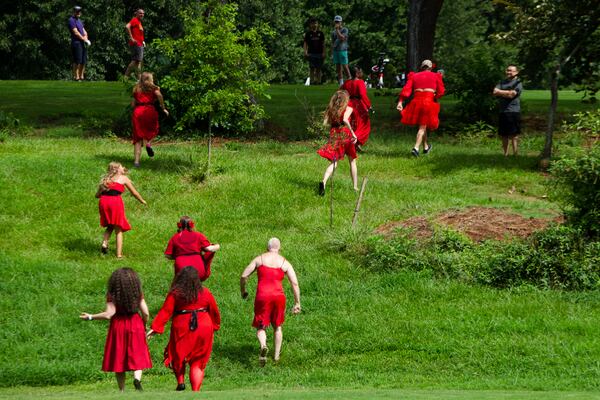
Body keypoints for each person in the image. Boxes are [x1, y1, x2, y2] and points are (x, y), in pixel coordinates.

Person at [147, 267, 220, 391]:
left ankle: (180, 382)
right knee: (198, 362)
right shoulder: (205, 292)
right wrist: (215, 325)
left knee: (178, 355)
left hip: (182, 325)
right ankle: (195, 391)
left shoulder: (175, 293)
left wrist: (155, 328)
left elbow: (166, 311)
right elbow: (214, 310)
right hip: (203, 326)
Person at [79, 268, 152, 392]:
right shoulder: (137, 293)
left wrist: (91, 316)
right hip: (135, 323)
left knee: (119, 357)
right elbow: (145, 313)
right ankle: (137, 379)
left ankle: (122, 390)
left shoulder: (112, 294)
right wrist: (144, 325)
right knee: (137, 353)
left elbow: (109, 314)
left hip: (118, 325)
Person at [240, 238, 301, 366]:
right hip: (279, 296)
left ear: (267, 247)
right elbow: (294, 283)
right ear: (279, 248)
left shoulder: (259, 259)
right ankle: (276, 357)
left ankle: (263, 345)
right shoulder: (284, 262)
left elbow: (244, 276)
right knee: (277, 327)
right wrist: (297, 303)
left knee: (260, 326)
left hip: (263, 296)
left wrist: (243, 291)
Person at [96, 162, 147, 258]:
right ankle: (119, 255)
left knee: (110, 225)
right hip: (115, 202)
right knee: (118, 229)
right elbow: (134, 193)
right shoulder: (124, 178)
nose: (124, 167)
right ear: (118, 170)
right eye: (121, 166)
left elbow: (97, 195)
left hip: (103, 202)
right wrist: (142, 201)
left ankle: (104, 243)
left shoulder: (106, 180)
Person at [397, 59, 445, 157]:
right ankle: (416, 148)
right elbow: (441, 92)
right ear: (431, 67)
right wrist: (435, 96)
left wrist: (400, 102)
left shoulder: (414, 76)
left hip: (416, 102)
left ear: (421, 67)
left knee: (422, 125)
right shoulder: (436, 76)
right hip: (428, 102)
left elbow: (406, 90)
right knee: (422, 127)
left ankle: (426, 147)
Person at [317, 90, 358, 196]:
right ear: (346, 100)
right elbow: (345, 120)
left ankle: (324, 181)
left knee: (334, 162)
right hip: (345, 134)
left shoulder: (331, 110)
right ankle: (355, 187)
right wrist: (353, 133)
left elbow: (325, 123)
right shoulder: (348, 108)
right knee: (352, 161)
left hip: (334, 134)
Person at [131, 72, 168, 167]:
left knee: (137, 138)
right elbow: (160, 96)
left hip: (138, 112)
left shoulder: (136, 88)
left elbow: (133, 104)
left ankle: (136, 162)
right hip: (149, 111)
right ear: (150, 79)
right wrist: (163, 107)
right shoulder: (153, 88)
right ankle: (148, 144)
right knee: (152, 130)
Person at [493, 65, 523, 156]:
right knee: (504, 134)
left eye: (511, 71)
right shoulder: (502, 82)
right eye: (507, 70)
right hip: (503, 111)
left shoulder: (518, 82)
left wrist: (501, 92)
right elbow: (494, 92)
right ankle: (505, 154)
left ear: (516, 72)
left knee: (514, 134)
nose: (508, 72)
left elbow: (512, 95)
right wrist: (507, 92)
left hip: (513, 111)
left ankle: (515, 153)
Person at [342, 66, 372, 150]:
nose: (362, 73)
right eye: (360, 71)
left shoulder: (346, 82)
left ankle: (354, 143)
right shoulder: (360, 82)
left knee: (352, 123)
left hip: (348, 104)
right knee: (364, 123)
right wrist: (369, 106)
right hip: (358, 105)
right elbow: (363, 95)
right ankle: (356, 141)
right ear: (356, 73)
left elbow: (340, 92)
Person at [68, 6, 90, 81]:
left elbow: (84, 31)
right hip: (76, 43)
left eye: (79, 11)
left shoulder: (79, 21)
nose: (79, 13)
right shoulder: (71, 20)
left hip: (83, 42)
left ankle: (81, 76)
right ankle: (76, 77)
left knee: (83, 61)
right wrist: (84, 39)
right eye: (77, 11)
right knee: (77, 61)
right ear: (74, 12)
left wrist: (86, 37)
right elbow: (76, 32)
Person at [303, 18, 326, 85]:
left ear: (317, 24)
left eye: (316, 23)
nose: (314, 25)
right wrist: (305, 52)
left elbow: (323, 43)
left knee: (319, 68)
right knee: (312, 68)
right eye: (313, 23)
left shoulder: (320, 33)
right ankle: (312, 81)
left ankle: (318, 81)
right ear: (310, 25)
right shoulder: (308, 34)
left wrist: (324, 52)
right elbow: (305, 43)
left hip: (319, 53)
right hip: (311, 53)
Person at [124, 9, 145, 80]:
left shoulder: (138, 22)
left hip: (139, 43)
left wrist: (143, 41)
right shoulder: (135, 20)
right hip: (136, 44)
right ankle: (125, 77)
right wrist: (131, 38)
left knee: (137, 62)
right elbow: (127, 26)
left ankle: (139, 79)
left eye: (143, 14)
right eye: (140, 13)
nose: (142, 15)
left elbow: (139, 34)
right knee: (135, 61)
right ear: (136, 14)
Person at [331, 15, 351, 85]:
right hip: (336, 51)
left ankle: (350, 81)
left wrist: (337, 30)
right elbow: (332, 43)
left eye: (338, 22)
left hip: (343, 50)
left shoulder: (345, 30)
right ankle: (341, 83)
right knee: (338, 67)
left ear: (341, 22)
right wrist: (332, 53)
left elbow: (342, 38)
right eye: (336, 22)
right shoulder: (333, 32)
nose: (337, 23)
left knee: (345, 66)